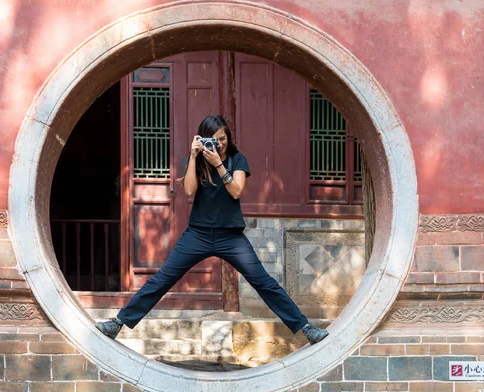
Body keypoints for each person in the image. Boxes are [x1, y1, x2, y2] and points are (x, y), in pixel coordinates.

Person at [96, 115, 329, 345]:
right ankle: (118, 323)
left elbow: (236, 191)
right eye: (214, 139)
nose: (218, 144)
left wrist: (218, 164)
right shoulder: (196, 159)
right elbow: (188, 190)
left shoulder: (238, 159)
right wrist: (194, 157)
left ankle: (305, 328)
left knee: (264, 283)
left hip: (231, 237)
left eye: (223, 138)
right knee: (162, 279)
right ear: (203, 139)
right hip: (198, 234)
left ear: (228, 137)